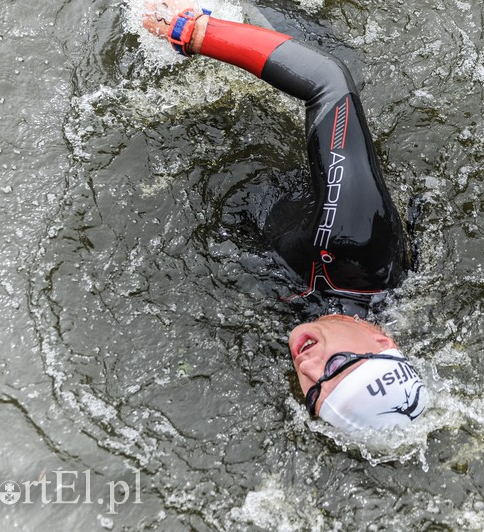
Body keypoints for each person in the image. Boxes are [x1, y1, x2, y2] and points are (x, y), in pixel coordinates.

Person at [143, 1, 428, 432]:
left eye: (314, 393)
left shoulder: (316, 329)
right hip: (289, 98)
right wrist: (195, 30)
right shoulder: (359, 246)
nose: (310, 369)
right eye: (339, 369)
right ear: (381, 341)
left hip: (223, 162)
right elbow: (327, 83)